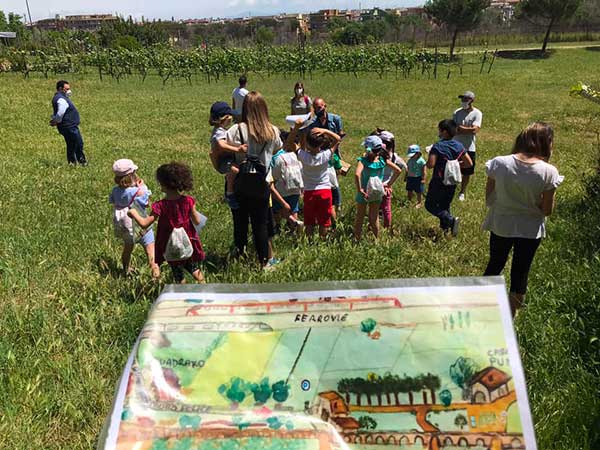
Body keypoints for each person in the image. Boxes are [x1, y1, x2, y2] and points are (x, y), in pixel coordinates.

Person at [483, 122, 563, 316]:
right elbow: (547, 210)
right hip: (530, 229)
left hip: (501, 223)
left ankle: (482, 305)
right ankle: (511, 315)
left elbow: (489, 198)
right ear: (547, 142)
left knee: (495, 263)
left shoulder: (499, 163)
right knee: (521, 271)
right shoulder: (549, 171)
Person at [226, 91, 283, 269]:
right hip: (262, 182)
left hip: (240, 182)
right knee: (261, 224)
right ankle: (264, 261)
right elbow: (277, 149)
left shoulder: (235, 130)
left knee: (240, 222)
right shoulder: (273, 131)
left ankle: (239, 258)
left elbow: (226, 151)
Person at [128, 162, 205, 284]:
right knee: (195, 270)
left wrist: (133, 213)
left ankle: (182, 292)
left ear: (164, 185)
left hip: (171, 245)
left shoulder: (160, 206)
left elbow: (144, 224)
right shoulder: (188, 201)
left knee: (178, 275)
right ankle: (204, 288)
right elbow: (197, 221)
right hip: (186, 243)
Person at [109, 159, 159, 278]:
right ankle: (155, 276)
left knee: (127, 249)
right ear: (132, 176)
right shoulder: (138, 191)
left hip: (125, 228)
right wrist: (142, 186)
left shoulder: (115, 191)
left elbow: (113, 201)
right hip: (140, 225)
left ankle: (125, 269)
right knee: (151, 252)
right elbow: (146, 203)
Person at [425, 119, 473, 236]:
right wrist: (456, 165)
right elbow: (469, 163)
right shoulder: (459, 146)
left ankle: (450, 220)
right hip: (452, 181)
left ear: (445, 132)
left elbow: (431, 164)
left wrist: (429, 155)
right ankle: (446, 231)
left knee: (430, 205)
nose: (439, 132)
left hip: (439, 181)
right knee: (445, 205)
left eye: (440, 130)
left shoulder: (437, 146)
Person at [354, 136, 402, 240]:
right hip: (377, 191)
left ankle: (357, 238)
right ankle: (376, 239)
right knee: (374, 217)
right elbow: (398, 170)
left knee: (360, 217)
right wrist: (388, 184)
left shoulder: (363, 161)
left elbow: (357, 174)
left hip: (364, 191)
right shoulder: (382, 160)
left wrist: (359, 189)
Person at [297, 128, 341, 239]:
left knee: (309, 221)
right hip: (325, 190)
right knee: (324, 221)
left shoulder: (303, 156)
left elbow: (290, 143)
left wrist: (296, 129)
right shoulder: (325, 155)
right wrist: (324, 131)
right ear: (321, 144)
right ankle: (323, 240)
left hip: (309, 192)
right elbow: (337, 139)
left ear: (307, 143)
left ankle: (309, 241)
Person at [308, 97, 346, 221]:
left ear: (325, 106)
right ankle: (329, 206)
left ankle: (336, 205)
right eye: (315, 108)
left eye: (319, 107)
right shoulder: (313, 123)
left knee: (334, 181)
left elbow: (340, 135)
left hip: (333, 152)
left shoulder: (335, 119)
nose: (317, 110)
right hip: (321, 153)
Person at [208, 101, 247, 209]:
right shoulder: (218, 132)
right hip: (223, 160)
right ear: (223, 118)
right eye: (230, 116)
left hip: (228, 158)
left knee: (236, 170)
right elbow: (222, 145)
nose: (231, 118)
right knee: (235, 170)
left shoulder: (222, 130)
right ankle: (230, 193)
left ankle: (231, 182)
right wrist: (238, 149)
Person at [270, 126, 304, 234]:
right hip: (296, 186)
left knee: (277, 209)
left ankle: (280, 226)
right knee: (294, 209)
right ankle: (294, 231)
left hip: (282, 188)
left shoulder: (276, 157)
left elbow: (274, 176)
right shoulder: (295, 155)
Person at [453, 90, 482, 201]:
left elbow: (475, 130)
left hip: (469, 147)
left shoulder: (477, 113)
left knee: (467, 171)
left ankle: (462, 192)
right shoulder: (457, 112)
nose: (463, 101)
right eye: (462, 99)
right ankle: (452, 188)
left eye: (466, 99)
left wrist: (461, 128)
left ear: (472, 100)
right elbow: (454, 129)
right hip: (456, 145)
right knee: (454, 167)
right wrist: (466, 129)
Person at [50, 80, 87, 166]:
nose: (69, 91)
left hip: (66, 126)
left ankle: (72, 163)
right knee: (78, 143)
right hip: (69, 126)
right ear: (60, 89)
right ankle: (82, 162)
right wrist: (56, 120)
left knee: (71, 144)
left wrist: (56, 121)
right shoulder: (60, 99)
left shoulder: (60, 97)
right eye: (67, 89)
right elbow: (61, 112)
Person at [376, 130, 407, 230]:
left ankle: (374, 226)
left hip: (375, 185)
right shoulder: (394, 156)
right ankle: (387, 227)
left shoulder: (379, 156)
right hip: (386, 187)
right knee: (386, 209)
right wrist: (389, 184)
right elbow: (404, 167)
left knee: (375, 208)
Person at [405, 144, 427, 208]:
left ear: (418, 153)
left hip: (418, 178)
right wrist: (406, 176)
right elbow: (408, 169)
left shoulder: (421, 161)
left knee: (418, 191)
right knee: (409, 190)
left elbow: (424, 171)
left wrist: (423, 179)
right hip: (410, 177)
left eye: (413, 155)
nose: (411, 156)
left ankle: (419, 202)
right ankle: (409, 200)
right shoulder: (410, 160)